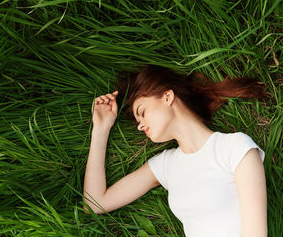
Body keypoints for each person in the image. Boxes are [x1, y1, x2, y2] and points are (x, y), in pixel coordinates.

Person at [83, 64, 269, 237]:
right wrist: (100, 129)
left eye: (142, 112)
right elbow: (94, 203)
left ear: (167, 96)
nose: (140, 126)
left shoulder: (234, 148)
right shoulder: (166, 165)